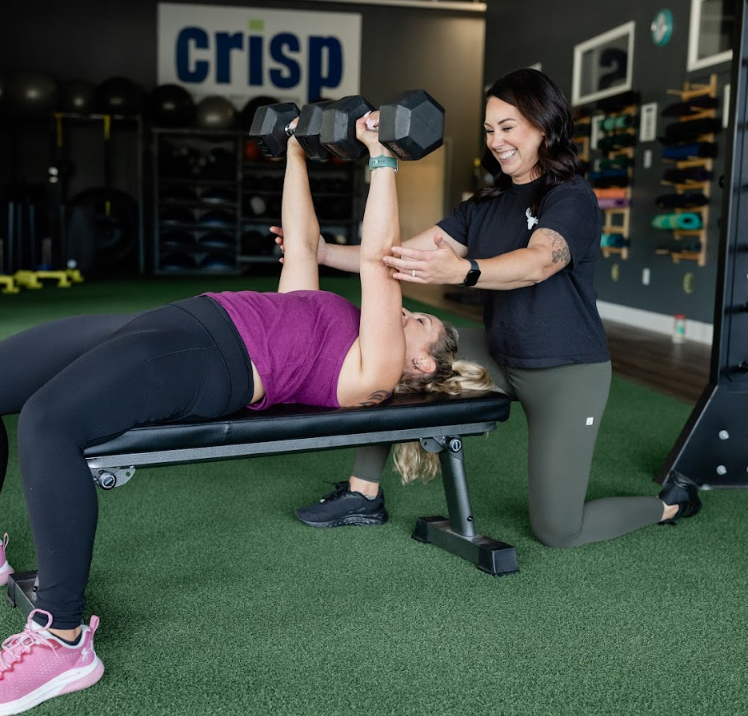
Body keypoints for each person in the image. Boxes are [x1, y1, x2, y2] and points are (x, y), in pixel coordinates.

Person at [0, 113, 493, 716]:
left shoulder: (377, 369)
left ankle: (62, 639)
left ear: (419, 367)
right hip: (177, 319)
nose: (406, 314)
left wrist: (383, 160)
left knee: (48, 423)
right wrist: (295, 151)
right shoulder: (337, 322)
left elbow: (381, 264)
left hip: (209, 360)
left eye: (418, 322)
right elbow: (302, 245)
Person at [285, 68, 702, 541]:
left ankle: (669, 504)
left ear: (545, 126)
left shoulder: (571, 198)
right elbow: (394, 257)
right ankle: (363, 494)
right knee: (393, 359)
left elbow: (540, 261)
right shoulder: (485, 203)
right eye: (489, 130)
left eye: (509, 128)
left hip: (566, 372)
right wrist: (320, 253)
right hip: (498, 353)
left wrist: (463, 271)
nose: (497, 141)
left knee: (558, 530)